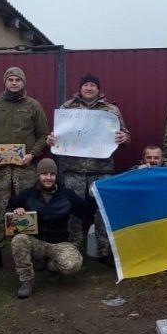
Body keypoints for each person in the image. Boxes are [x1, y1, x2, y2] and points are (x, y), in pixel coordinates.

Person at [47, 73, 128, 266]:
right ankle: (72, 249)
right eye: (86, 85)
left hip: (101, 169)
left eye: (93, 85)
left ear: (98, 89)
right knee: (71, 210)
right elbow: (57, 136)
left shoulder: (110, 110)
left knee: (102, 211)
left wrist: (124, 137)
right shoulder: (67, 109)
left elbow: (125, 134)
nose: (89, 88)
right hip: (73, 169)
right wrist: (51, 139)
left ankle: (104, 250)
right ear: (80, 88)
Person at [0, 67, 49, 275]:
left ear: (24, 82)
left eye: (18, 79)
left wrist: (32, 154)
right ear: (5, 82)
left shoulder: (33, 106)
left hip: (25, 169)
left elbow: (43, 135)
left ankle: (32, 253)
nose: (14, 83)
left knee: (28, 210)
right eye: (11, 79)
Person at [7, 158, 93, 299]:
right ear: (38, 176)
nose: (48, 178)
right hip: (36, 242)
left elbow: (85, 211)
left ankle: (51, 266)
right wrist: (16, 210)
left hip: (59, 243)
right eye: (44, 174)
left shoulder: (67, 195)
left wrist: (94, 197)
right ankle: (26, 280)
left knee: (73, 265)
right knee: (18, 239)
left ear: (56, 176)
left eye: (52, 174)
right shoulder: (27, 195)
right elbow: (9, 212)